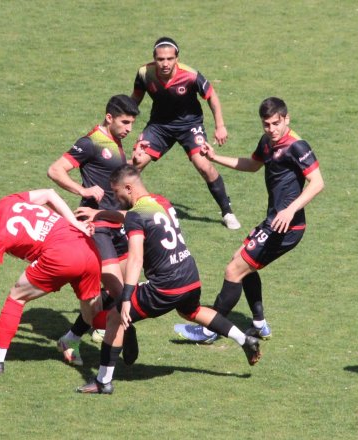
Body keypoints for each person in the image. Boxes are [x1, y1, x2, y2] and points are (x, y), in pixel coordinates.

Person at [76, 164, 261, 394]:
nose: (115, 197)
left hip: (166, 286)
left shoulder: (135, 216)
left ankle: (103, 381)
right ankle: (245, 340)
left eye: (116, 192)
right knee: (191, 311)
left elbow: (135, 259)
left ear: (128, 187)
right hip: (190, 276)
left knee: (114, 317)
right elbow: (134, 217)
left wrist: (126, 296)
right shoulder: (160, 201)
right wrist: (101, 214)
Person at [174, 97, 325, 343]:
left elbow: (317, 182)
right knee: (240, 261)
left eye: (276, 123)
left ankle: (210, 330)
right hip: (273, 222)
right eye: (266, 124)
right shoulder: (267, 142)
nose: (272, 129)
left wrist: (290, 210)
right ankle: (259, 324)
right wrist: (215, 158)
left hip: (287, 226)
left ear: (286, 119)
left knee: (234, 270)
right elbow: (253, 165)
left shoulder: (297, 146)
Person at [0, 188, 103, 374]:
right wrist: (75, 224)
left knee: (16, 297)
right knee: (92, 314)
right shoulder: (6, 202)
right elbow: (49, 194)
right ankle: (79, 341)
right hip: (88, 248)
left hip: (60, 256)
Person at [47, 94, 140, 364]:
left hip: (118, 222)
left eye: (132, 123)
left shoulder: (116, 141)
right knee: (116, 287)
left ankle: (78, 334)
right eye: (124, 122)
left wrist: (133, 163)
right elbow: (55, 170)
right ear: (109, 118)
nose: (128, 128)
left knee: (123, 287)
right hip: (97, 225)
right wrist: (82, 189)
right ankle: (118, 330)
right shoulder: (90, 143)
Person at [130, 36, 241, 230]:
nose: (165, 63)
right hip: (159, 126)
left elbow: (211, 96)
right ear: (154, 58)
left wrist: (220, 125)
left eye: (170, 59)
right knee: (136, 164)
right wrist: (126, 119)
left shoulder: (190, 75)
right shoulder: (144, 73)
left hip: (190, 126)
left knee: (204, 166)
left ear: (177, 58)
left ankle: (227, 212)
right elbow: (135, 99)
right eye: (160, 59)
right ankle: (124, 210)